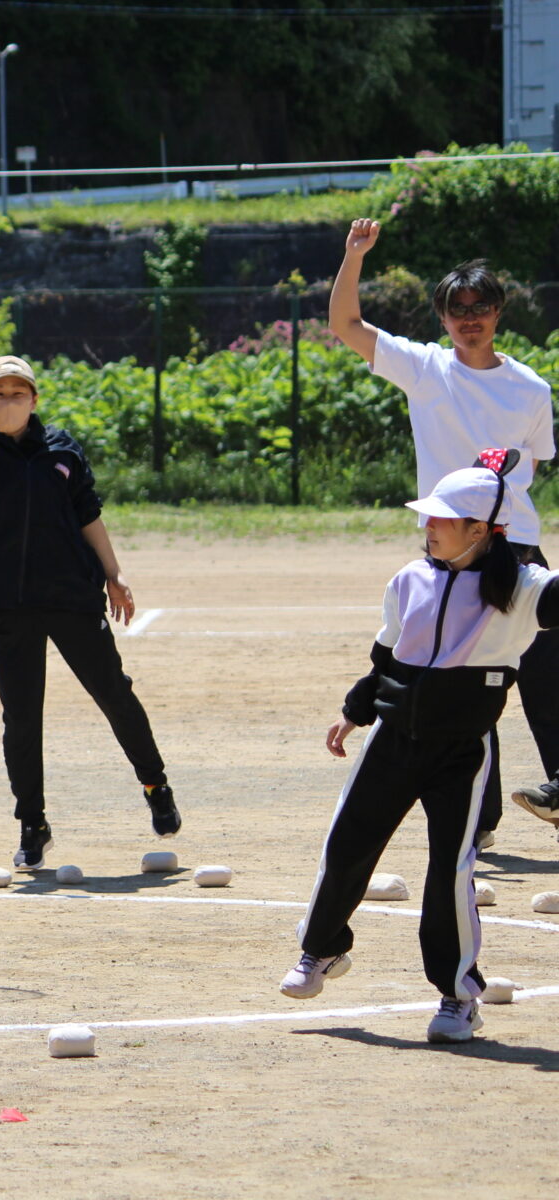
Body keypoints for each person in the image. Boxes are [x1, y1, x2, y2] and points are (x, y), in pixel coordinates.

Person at [280, 458, 559, 1043]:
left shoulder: (523, 589)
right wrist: (355, 711)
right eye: (427, 515)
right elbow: (387, 658)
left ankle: (458, 997)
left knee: (450, 873)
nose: (428, 526)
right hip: (392, 741)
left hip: (460, 753)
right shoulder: (410, 578)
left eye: (443, 518)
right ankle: (323, 950)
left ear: (481, 530)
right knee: (347, 843)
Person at [329, 220, 559, 844]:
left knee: (544, 671)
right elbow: (346, 326)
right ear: (443, 318)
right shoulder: (426, 369)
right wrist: (354, 258)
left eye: (480, 306)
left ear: (499, 312)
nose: (469, 317)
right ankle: (479, 820)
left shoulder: (531, 388)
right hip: (452, 553)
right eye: (457, 309)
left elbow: (532, 465)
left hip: (513, 545)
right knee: (464, 680)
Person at [0, 329, 178, 871]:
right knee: (22, 717)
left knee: (114, 693)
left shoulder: (61, 449)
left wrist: (115, 574)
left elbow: (88, 512)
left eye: (19, 393)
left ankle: (155, 783)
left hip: (70, 594)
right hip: (6, 604)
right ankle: (31, 823)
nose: (9, 401)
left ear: (33, 400)